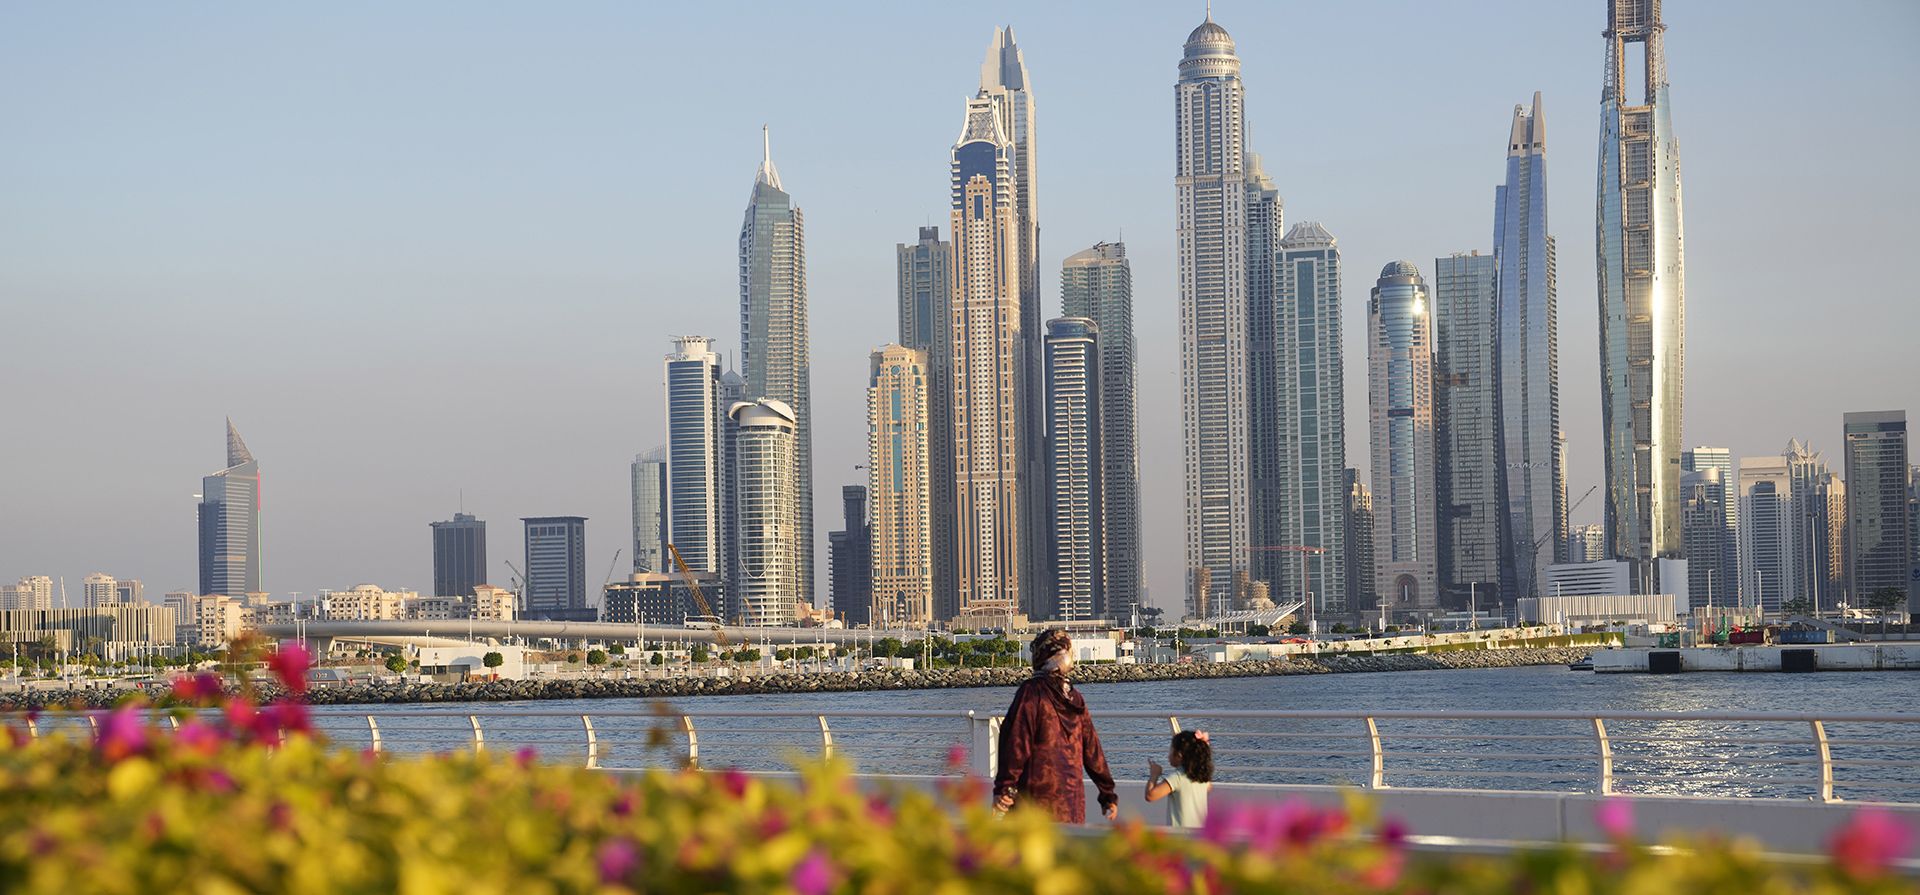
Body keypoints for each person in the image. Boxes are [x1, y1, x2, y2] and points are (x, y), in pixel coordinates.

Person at [992, 630, 1119, 823]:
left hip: (1036, 799)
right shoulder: (1074, 698)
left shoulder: (1031, 693)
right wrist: (1107, 793)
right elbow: (1092, 750)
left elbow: (1016, 743)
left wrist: (1005, 788)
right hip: (1071, 801)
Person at [1144, 729, 1213, 828]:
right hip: (1200, 834)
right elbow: (1209, 788)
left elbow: (1151, 796)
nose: (1168, 754)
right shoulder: (1202, 778)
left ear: (1179, 755)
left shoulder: (1177, 777)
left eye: (1171, 750)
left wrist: (1154, 775)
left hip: (1180, 835)